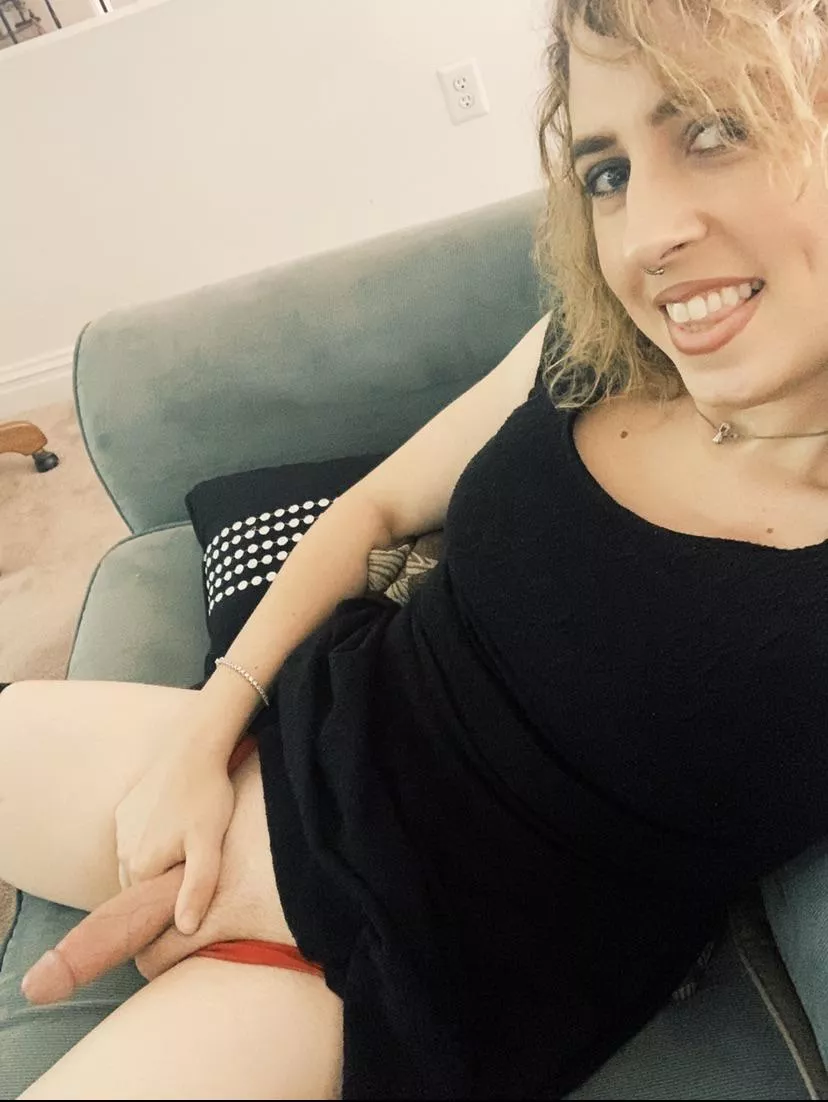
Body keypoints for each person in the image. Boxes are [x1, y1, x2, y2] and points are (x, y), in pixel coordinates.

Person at [3, 0, 828, 1096]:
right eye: (607, 171)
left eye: (717, 129)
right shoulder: (598, 348)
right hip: (284, 748)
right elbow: (378, 508)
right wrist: (205, 738)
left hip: (401, 974)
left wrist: (280, 889)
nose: (645, 236)